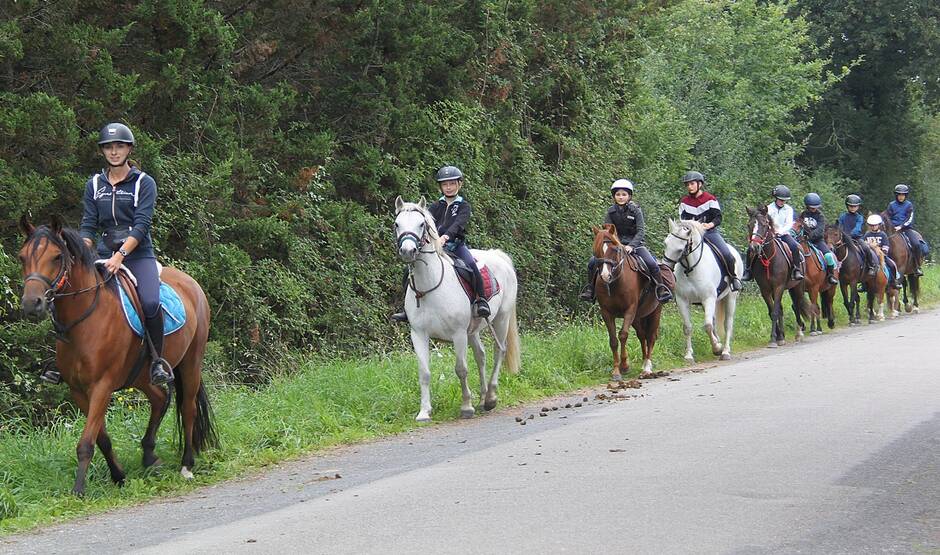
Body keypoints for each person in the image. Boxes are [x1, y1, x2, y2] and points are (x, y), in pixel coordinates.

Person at [67, 123, 172, 385]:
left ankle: (157, 361)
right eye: (109, 147)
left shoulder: (143, 183)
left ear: (129, 149)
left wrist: (121, 255)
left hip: (138, 255)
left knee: (149, 302)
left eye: (119, 146)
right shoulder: (94, 183)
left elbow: (142, 224)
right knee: (68, 293)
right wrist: (82, 248)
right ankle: (62, 362)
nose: (114, 152)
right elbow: (89, 224)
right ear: (103, 151)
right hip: (102, 252)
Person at [391, 165, 490, 323]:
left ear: (459, 184)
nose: (448, 187)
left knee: (471, 265)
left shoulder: (464, 206)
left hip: (456, 247)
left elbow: (458, 224)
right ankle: (406, 309)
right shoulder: (436, 206)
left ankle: (481, 300)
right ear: (441, 187)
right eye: (445, 184)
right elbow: (427, 225)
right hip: (435, 248)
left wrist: (445, 237)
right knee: (407, 272)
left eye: (452, 184)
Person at [579, 179, 672, 303]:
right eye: (618, 194)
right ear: (614, 196)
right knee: (592, 262)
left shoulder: (636, 211)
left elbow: (640, 231)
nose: (621, 197)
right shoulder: (611, 212)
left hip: (636, 245)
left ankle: (661, 289)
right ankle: (590, 290)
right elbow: (608, 231)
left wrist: (631, 246)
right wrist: (618, 245)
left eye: (624, 194)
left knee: (652, 263)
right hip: (616, 245)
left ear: (629, 196)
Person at [677, 171, 742, 291]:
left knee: (727, 254)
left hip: (709, 233)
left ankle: (733, 279)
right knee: (674, 252)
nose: (689, 187)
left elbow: (718, 217)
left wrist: (710, 225)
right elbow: (682, 220)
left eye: (692, 184)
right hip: (691, 235)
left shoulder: (710, 199)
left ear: (699, 184)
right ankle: (672, 283)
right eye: (687, 185)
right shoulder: (684, 202)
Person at [765, 185, 804, 281]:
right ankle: (749, 270)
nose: (782, 202)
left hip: (784, 235)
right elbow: (767, 222)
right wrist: (773, 231)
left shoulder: (788, 209)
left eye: (784, 200)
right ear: (776, 198)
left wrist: (780, 232)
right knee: (754, 248)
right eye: (780, 200)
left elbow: (789, 223)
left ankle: (796, 269)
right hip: (771, 234)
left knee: (794, 247)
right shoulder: (769, 208)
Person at [798, 193, 839, 285]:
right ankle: (794, 272)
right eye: (812, 207)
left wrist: (809, 236)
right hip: (803, 241)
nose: (814, 209)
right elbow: (798, 226)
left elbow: (820, 230)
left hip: (817, 241)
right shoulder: (802, 215)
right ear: (807, 206)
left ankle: (830, 275)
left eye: (815, 207)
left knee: (828, 255)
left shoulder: (820, 216)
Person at [885, 183, 925, 276]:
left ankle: (917, 266)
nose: (901, 197)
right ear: (896, 195)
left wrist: (901, 226)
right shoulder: (891, 205)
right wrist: (891, 226)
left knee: (916, 244)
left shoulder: (909, 205)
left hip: (905, 229)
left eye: (903, 195)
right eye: (899, 194)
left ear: (905, 195)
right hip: (893, 229)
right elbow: (888, 217)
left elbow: (909, 219)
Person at [837, 194, 878, 277]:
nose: (853, 208)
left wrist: (848, 234)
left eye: (855, 206)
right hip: (843, 239)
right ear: (847, 206)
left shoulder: (859, 217)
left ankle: (871, 266)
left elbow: (857, 229)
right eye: (851, 206)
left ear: (858, 207)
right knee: (833, 249)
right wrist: (841, 235)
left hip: (856, 238)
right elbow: (839, 227)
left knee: (866, 248)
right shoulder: (842, 216)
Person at [863, 214, 904, 289]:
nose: (873, 227)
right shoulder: (867, 235)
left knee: (892, 265)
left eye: (875, 225)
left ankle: (894, 281)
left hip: (881, 256)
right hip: (869, 257)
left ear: (879, 225)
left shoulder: (883, 235)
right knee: (863, 267)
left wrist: (883, 253)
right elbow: (864, 245)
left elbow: (886, 245)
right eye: (871, 225)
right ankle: (863, 285)